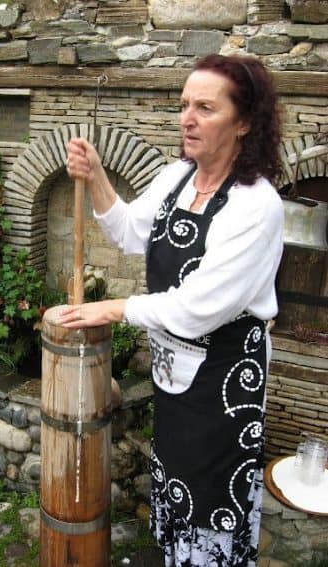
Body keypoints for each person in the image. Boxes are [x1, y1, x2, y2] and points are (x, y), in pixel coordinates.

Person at [60, 53, 284, 567]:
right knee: (178, 477)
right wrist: (95, 174)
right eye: (184, 104)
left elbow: (198, 308)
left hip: (225, 380)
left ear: (245, 122)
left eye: (206, 107)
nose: (187, 118)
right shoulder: (178, 177)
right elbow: (130, 232)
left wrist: (112, 308)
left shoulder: (257, 205)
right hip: (176, 374)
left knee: (212, 490)